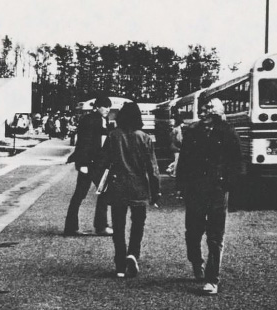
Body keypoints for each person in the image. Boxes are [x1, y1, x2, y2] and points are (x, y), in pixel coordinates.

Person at [176, 98, 242, 295]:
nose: (203, 114)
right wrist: (181, 185)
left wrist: (229, 184)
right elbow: (184, 160)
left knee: (215, 236)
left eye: (207, 110)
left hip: (217, 189)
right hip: (195, 188)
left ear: (216, 112)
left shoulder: (228, 132)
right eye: (202, 110)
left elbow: (236, 160)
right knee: (193, 233)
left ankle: (212, 279)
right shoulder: (192, 131)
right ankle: (196, 261)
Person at [99, 101, 160, 278]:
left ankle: (119, 264)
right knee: (138, 223)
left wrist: (102, 186)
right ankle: (133, 253)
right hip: (139, 186)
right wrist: (155, 192)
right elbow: (153, 168)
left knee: (118, 225)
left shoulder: (113, 136)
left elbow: (103, 163)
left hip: (118, 185)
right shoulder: (145, 137)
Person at [64, 95, 114, 237]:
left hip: (98, 164)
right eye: (104, 106)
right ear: (97, 107)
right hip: (89, 163)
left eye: (109, 107)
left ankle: (75, 227)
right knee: (84, 194)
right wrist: (83, 163)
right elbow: (84, 143)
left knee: (99, 192)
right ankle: (98, 226)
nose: (107, 109)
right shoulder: (90, 120)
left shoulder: (102, 119)